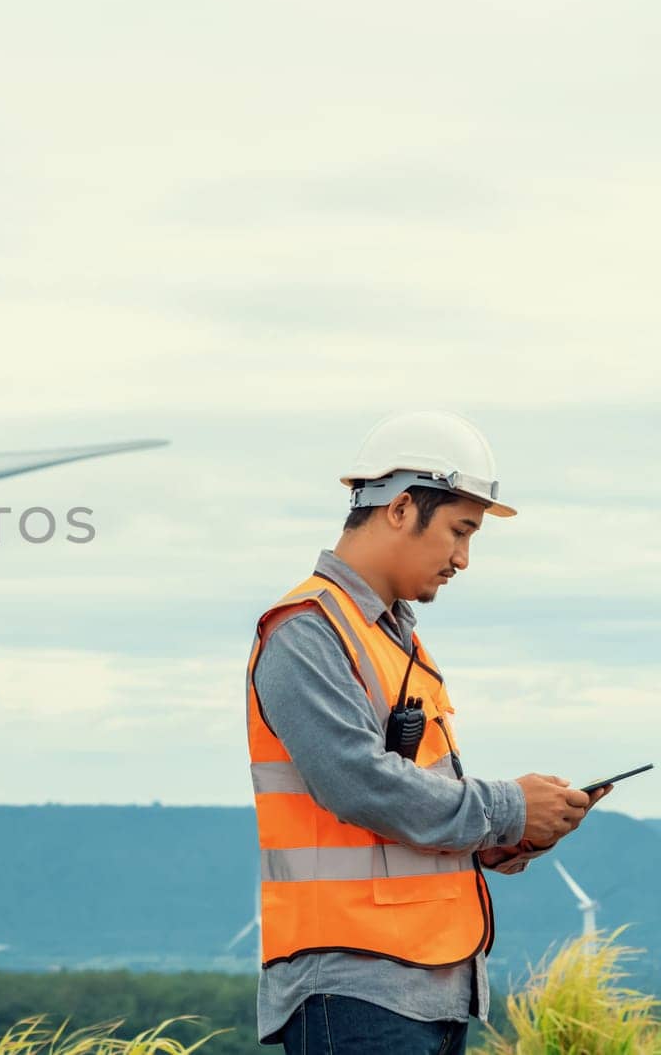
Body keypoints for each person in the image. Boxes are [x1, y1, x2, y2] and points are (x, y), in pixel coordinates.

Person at [245, 411, 613, 1054]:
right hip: (355, 989)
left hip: (428, 987)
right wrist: (509, 805)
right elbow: (360, 786)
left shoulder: (398, 642)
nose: (464, 559)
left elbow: (405, 820)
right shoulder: (307, 631)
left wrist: (505, 837)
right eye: (459, 530)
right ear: (401, 507)